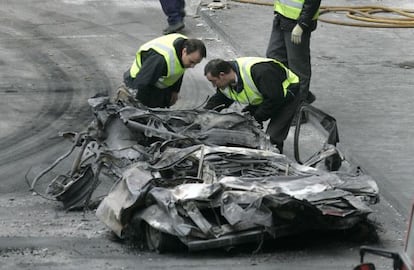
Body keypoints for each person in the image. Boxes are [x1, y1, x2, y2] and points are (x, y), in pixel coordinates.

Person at [203, 57, 301, 153]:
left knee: (271, 138)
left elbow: (274, 99)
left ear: (222, 75)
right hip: (265, 94)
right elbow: (220, 100)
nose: (214, 85)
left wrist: (257, 118)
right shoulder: (226, 80)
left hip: (285, 96)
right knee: (241, 123)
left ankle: (275, 159)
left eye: (213, 81)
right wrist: (204, 115)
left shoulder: (260, 72)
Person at [117, 33, 206, 108]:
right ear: (184, 51)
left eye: (196, 63)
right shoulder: (160, 60)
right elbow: (141, 84)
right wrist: (138, 107)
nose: (192, 66)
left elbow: (178, 70)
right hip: (137, 83)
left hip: (156, 83)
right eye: (191, 62)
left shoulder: (185, 48)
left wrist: (175, 91)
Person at [266, 0, 321, 104]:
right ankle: (290, 98)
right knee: (274, 57)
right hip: (282, 17)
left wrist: (302, 24)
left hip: (296, 23)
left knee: (298, 67)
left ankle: (299, 106)